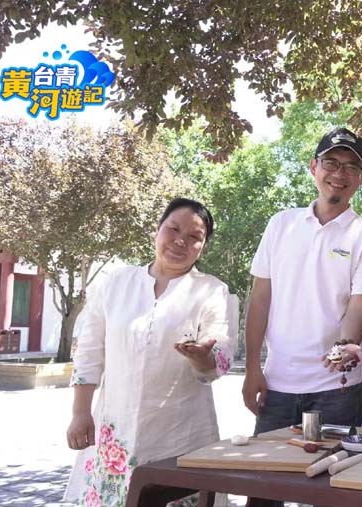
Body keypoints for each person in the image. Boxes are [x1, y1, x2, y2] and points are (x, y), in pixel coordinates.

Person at [64, 197, 236, 507]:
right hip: (116, 432)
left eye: (195, 237)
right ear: (157, 230)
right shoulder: (115, 284)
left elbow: (220, 355)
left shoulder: (211, 290)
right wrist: (80, 413)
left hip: (182, 435)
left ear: (203, 247)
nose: (181, 241)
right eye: (173, 228)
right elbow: (89, 352)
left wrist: (201, 356)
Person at [242, 128, 362, 435]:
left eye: (351, 166)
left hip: (338, 388)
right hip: (277, 384)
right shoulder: (281, 224)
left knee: (328, 477)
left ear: (361, 177)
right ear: (313, 167)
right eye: (331, 162)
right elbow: (260, 300)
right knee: (266, 478)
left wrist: (346, 346)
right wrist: (252, 367)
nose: (339, 173)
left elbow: (359, 306)